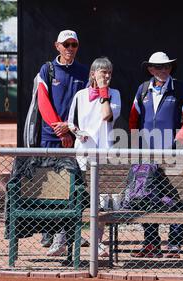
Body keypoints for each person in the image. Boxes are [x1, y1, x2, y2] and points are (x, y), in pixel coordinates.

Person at [129, 52, 183, 258]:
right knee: (147, 197)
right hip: (146, 156)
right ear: (150, 69)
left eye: (166, 67)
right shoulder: (142, 90)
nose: (163, 71)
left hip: (171, 156)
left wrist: (177, 140)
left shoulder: (180, 89)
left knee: (175, 198)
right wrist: (136, 149)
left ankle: (175, 244)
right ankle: (151, 243)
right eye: (158, 67)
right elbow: (133, 121)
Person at [36, 30, 89, 256]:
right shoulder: (46, 70)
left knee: (72, 189)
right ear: (57, 45)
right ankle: (51, 231)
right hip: (50, 138)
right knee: (50, 189)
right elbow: (42, 102)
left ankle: (67, 233)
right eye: (65, 44)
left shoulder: (85, 72)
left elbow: (87, 106)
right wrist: (60, 130)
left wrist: (70, 128)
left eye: (73, 44)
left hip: (74, 139)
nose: (69, 48)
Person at [68, 57, 121, 257]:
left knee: (99, 201)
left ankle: (97, 243)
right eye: (102, 72)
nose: (106, 75)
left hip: (103, 155)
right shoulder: (80, 95)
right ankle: (66, 240)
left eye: (109, 72)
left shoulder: (114, 94)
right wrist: (78, 132)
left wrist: (103, 92)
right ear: (92, 73)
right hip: (82, 153)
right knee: (80, 199)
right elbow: (70, 122)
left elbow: (107, 115)